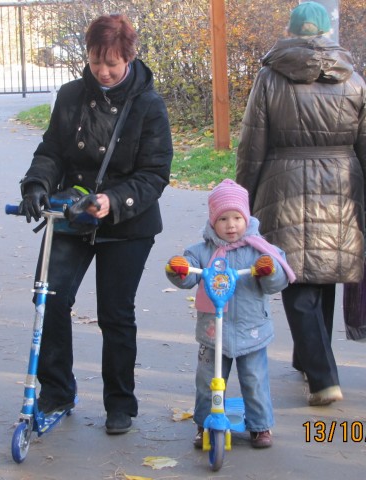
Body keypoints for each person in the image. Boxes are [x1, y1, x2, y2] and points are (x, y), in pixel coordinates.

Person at [18, 14, 173, 435]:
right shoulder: (71, 95)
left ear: (129, 56)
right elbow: (52, 150)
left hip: (127, 223)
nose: (102, 72)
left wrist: (113, 200)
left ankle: (120, 402)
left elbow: (155, 174)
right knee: (48, 298)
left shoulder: (149, 105)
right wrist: (36, 185)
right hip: (71, 212)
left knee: (115, 314)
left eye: (112, 64)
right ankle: (56, 391)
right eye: (95, 62)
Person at [235, 1, 366, 406]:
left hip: (282, 183)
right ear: (327, 35)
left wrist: (243, 195)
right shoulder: (355, 80)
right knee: (321, 273)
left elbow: (252, 143)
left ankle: (323, 378)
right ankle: (308, 361)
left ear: (291, 32)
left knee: (294, 279)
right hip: (342, 184)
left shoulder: (271, 77)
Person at [165, 179, 295, 449]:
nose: (231, 225)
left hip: (251, 329)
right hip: (214, 332)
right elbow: (189, 275)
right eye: (223, 218)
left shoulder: (260, 250)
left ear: (246, 218)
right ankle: (204, 423)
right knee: (207, 381)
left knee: (255, 379)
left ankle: (260, 426)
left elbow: (278, 281)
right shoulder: (202, 251)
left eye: (237, 217)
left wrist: (268, 270)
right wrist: (179, 270)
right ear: (213, 221)